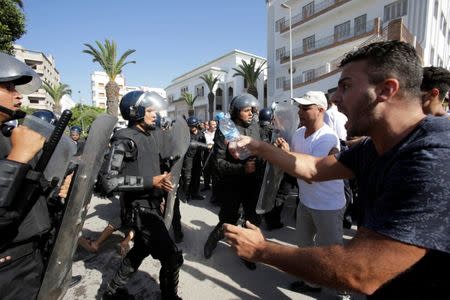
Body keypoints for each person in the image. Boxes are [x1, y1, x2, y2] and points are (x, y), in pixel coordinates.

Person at [223, 41, 450, 298]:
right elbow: (314, 168)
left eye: (346, 86)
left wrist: (262, 250)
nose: (335, 98)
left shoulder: (435, 155)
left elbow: (361, 271)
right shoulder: (374, 146)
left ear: (386, 90)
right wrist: (259, 147)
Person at [101, 90, 183, 300]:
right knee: (172, 257)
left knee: (140, 249)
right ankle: (169, 297)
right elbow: (108, 182)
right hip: (138, 209)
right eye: (149, 111)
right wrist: (151, 181)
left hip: (151, 204)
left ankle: (111, 290)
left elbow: (151, 168)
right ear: (134, 112)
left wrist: (160, 186)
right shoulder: (124, 140)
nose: (154, 115)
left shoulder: (150, 135)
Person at [287, 91, 346, 294]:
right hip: (306, 202)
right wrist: (287, 156)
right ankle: (312, 283)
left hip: (328, 205)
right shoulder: (297, 133)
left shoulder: (327, 137)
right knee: (304, 246)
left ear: (321, 110)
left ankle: (344, 290)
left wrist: (284, 156)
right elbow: (295, 163)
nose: (300, 112)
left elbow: (311, 176)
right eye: (299, 108)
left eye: (305, 108)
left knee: (332, 251)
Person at [203, 93, 264, 270]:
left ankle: (247, 252)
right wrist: (241, 169)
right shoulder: (226, 129)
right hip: (233, 183)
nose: (251, 113)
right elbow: (218, 163)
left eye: (252, 110)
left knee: (251, 219)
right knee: (228, 219)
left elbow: (260, 148)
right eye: (246, 110)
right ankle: (213, 239)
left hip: (253, 183)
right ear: (236, 112)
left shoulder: (255, 126)